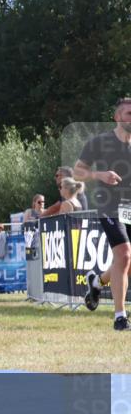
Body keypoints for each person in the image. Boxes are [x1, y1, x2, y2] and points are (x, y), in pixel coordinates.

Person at [76, 98, 131, 331]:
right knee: (125, 253)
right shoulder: (100, 142)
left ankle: (97, 282)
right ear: (117, 117)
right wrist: (100, 175)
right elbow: (77, 172)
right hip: (108, 206)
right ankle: (120, 317)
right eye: (129, 113)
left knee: (126, 260)